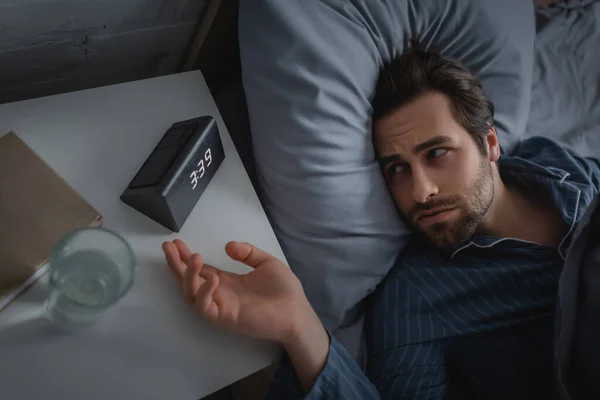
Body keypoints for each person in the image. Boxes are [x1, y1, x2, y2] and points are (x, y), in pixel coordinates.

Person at [162, 45, 600, 399]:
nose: (420, 190)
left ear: (489, 143)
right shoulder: (417, 298)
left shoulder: (560, 165)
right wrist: (300, 327)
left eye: (437, 153)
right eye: (397, 169)